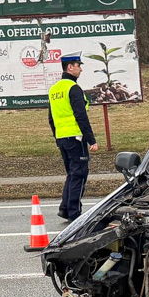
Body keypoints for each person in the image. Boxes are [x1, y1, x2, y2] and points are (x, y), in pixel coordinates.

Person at [48, 52, 98, 222]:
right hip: (76, 138)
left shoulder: (54, 89)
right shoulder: (73, 88)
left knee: (71, 173)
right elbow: (81, 115)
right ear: (70, 67)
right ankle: (74, 213)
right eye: (79, 66)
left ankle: (65, 209)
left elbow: (51, 117)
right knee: (80, 174)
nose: (81, 70)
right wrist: (91, 139)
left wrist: (57, 138)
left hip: (62, 138)